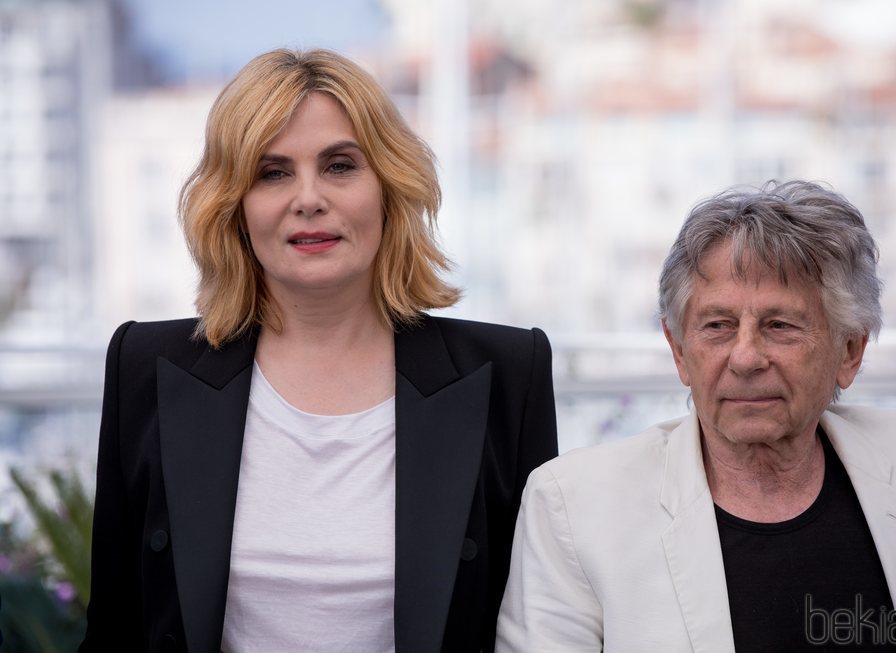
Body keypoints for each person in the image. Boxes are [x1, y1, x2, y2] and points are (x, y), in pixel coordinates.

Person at [80, 48, 557, 653]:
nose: (308, 198)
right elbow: (114, 630)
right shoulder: (144, 365)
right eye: (272, 172)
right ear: (235, 205)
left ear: (388, 185)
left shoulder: (507, 375)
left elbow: (540, 629)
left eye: (339, 166)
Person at [496, 180, 896, 651]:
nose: (745, 357)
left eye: (780, 325)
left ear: (849, 351)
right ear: (679, 351)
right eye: (718, 326)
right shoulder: (574, 507)